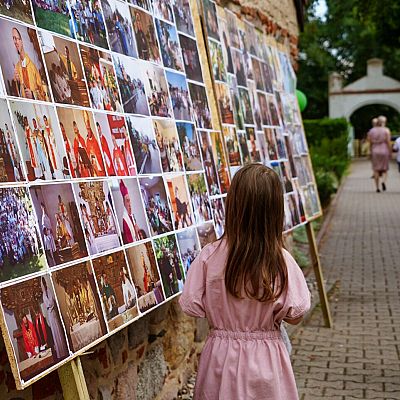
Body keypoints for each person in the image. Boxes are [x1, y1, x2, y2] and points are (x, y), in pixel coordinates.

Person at [179, 164, 311, 399]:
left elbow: (191, 304)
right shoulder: (280, 261)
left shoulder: (210, 256)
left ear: (233, 205)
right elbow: (296, 314)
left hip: (219, 358)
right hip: (265, 361)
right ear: (274, 211)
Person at [12, 27, 47, 100]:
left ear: (22, 41)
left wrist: (33, 95)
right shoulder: (17, 67)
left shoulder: (32, 66)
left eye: (17, 38)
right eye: (13, 39)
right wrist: (17, 82)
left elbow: (43, 92)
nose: (15, 42)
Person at [41, 277, 69, 361]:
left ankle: (64, 351)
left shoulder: (49, 291)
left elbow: (51, 302)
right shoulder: (43, 295)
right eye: (43, 284)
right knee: (54, 333)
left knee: (59, 331)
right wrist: (49, 305)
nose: (44, 285)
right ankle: (59, 353)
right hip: (50, 314)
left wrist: (50, 305)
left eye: (45, 283)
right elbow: (47, 304)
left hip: (53, 313)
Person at [367, 115, 391, 192]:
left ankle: (377, 187)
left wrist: (370, 151)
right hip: (384, 150)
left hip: (375, 150)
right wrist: (390, 152)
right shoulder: (386, 130)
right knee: (385, 169)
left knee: (376, 170)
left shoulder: (371, 131)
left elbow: (370, 143)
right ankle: (383, 181)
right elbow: (388, 142)